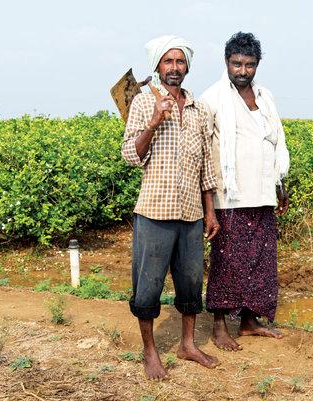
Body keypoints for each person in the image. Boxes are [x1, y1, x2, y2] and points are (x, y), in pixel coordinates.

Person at [121, 35, 220, 379]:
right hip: (154, 213)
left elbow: (206, 163)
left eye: (180, 62)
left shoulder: (199, 108)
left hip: (192, 213)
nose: (175, 68)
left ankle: (188, 344)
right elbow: (131, 156)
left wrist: (210, 211)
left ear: (187, 66)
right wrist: (153, 121)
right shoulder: (142, 103)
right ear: (157, 67)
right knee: (147, 285)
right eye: (168, 62)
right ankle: (150, 353)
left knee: (192, 283)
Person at [200, 32, 290, 351]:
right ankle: (220, 326)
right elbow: (203, 154)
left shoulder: (265, 97)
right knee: (228, 262)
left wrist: (280, 186)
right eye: (237, 63)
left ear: (257, 65)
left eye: (249, 64)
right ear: (226, 62)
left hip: (262, 193)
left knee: (261, 260)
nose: (242, 70)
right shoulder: (212, 99)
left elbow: (275, 142)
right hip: (230, 198)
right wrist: (208, 208)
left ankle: (250, 322)